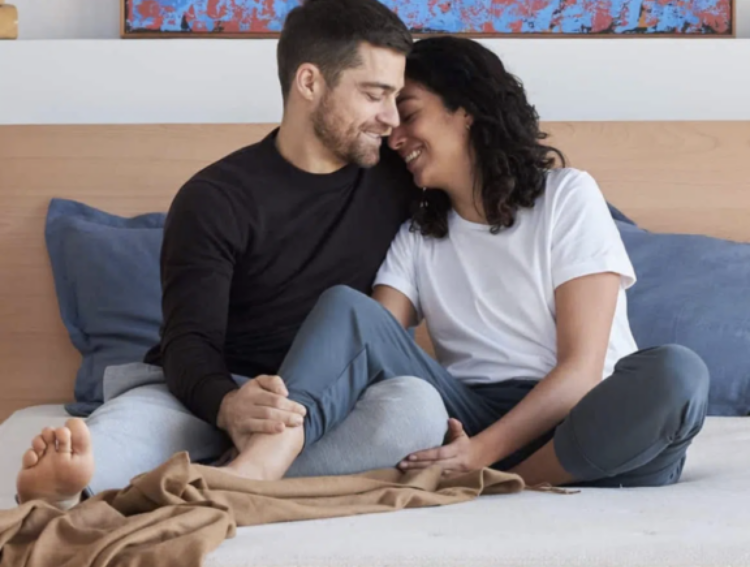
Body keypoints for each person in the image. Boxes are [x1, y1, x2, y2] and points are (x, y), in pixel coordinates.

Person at [192, 35, 710, 489]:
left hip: (588, 421)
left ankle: (498, 484)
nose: (395, 135)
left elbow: (580, 371)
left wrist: (480, 455)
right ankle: (260, 462)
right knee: (347, 309)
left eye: (410, 112)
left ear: (466, 110)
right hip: (473, 413)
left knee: (676, 373)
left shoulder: (566, 196)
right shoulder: (418, 235)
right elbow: (369, 342)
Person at [15, 0, 452, 509]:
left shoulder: (400, 178)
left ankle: (216, 481)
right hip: (204, 395)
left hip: (330, 404)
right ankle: (74, 483)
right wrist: (227, 406)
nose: (389, 119)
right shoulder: (215, 197)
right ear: (309, 82)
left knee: (418, 408)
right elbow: (187, 339)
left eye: (395, 98)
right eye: (374, 94)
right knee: (127, 426)